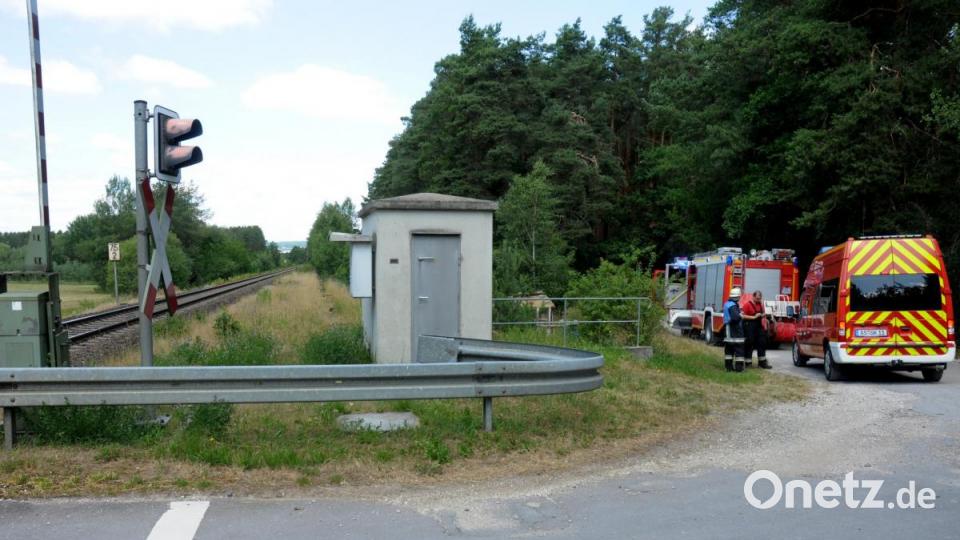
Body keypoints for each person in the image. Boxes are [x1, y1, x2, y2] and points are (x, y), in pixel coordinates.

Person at [741, 290, 771, 369]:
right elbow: (742, 316)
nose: (759, 300)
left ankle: (762, 363)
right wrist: (754, 317)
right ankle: (748, 363)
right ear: (753, 297)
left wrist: (764, 315)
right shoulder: (747, 305)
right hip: (749, 326)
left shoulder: (760, 305)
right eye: (757, 298)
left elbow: (762, 314)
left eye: (760, 299)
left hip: (758, 326)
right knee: (749, 344)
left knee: (762, 342)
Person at [722, 288, 746, 372]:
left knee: (728, 351)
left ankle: (728, 368)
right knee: (739, 350)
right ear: (737, 297)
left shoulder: (727, 304)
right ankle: (739, 369)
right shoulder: (733, 306)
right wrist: (741, 315)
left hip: (728, 330)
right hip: (734, 331)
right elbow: (735, 318)